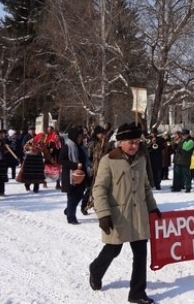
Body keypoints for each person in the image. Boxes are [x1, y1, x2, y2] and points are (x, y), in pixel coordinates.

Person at [89, 122, 161, 304]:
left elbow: (145, 187)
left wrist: (152, 207)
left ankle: (137, 293)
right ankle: (96, 269)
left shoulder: (141, 159)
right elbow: (99, 189)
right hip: (118, 216)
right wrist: (103, 214)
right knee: (113, 250)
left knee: (140, 254)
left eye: (137, 142)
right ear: (120, 142)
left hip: (139, 215)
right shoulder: (108, 160)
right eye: (131, 142)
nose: (135, 145)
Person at [60, 127, 88, 224]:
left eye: (81, 136)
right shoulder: (68, 145)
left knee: (80, 194)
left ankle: (69, 210)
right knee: (72, 196)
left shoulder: (80, 146)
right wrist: (75, 165)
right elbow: (61, 160)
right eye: (79, 136)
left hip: (81, 174)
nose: (81, 138)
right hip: (70, 175)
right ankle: (71, 217)